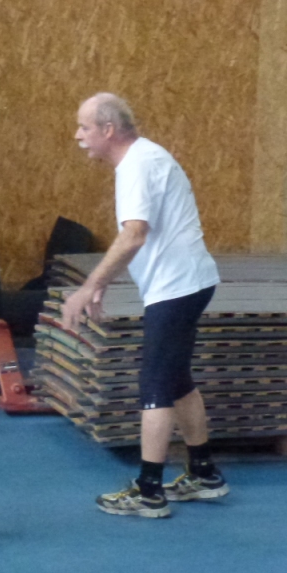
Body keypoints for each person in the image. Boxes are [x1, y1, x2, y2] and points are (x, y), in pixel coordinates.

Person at [62, 93, 228, 518]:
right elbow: (139, 238)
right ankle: (204, 474)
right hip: (187, 283)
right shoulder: (143, 159)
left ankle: (149, 491)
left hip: (177, 288)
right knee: (176, 380)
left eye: (84, 127)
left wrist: (89, 286)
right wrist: (101, 286)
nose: (78, 135)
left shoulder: (137, 165)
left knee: (155, 385)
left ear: (108, 130)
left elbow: (134, 234)